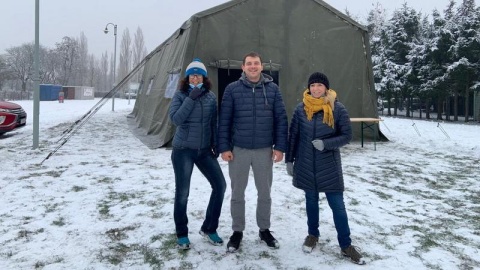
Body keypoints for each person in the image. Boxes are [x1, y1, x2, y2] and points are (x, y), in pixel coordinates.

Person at [285, 72, 365, 265]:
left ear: (326, 88)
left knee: (337, 206)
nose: (316, 89)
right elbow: (293, 135)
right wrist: (289, 159)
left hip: (329, 165)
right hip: (305, 164)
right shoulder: (300, 109)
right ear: (308, 88)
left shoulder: (337, 109)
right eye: (313, 85)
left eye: (320, 85)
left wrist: (326, 144)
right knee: (311, 201)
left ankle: (346, 245)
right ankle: (313, 235)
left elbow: (347, 135)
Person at [218, 52, 288, 252]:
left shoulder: (273, 90)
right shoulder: (232, 89)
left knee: (264, 193)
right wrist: (224, 147)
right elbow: (224, 120)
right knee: (237, 193)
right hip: (238, 150)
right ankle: (237, 231)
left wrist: (280, 147)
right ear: (243, 67)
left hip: (264, 150)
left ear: (261, 66)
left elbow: (281, 119)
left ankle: (264, 229)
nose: (253, 67)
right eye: (249, 64)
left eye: (256, 63)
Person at [168, 58, 226, 250]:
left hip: (203, 151)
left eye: (198, 74)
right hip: (183, 150)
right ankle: (182, 233)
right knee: (183, 192)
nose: (195, 78)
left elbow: (213, 123)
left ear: (203, 77)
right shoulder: (180, 96)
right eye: (192, 75)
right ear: (187, 78)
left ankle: (209, 228)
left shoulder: (210, 97)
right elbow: (176, 119)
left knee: (220, 185)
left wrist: (216, 145)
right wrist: (191, 98)